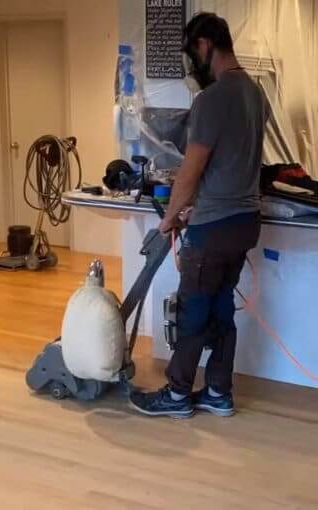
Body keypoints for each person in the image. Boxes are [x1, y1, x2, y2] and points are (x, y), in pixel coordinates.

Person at [129, 12, 268, 419]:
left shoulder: (212, 99)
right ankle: (219, 392)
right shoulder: (256, 94)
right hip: (245, 224)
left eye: (193, 55)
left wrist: (169, 217)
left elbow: (190, 170)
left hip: (213, 229)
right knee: (221, 307)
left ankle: (175, 396)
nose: (193, 67)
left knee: (193, 308)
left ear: (206, 45)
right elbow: (237, 161)